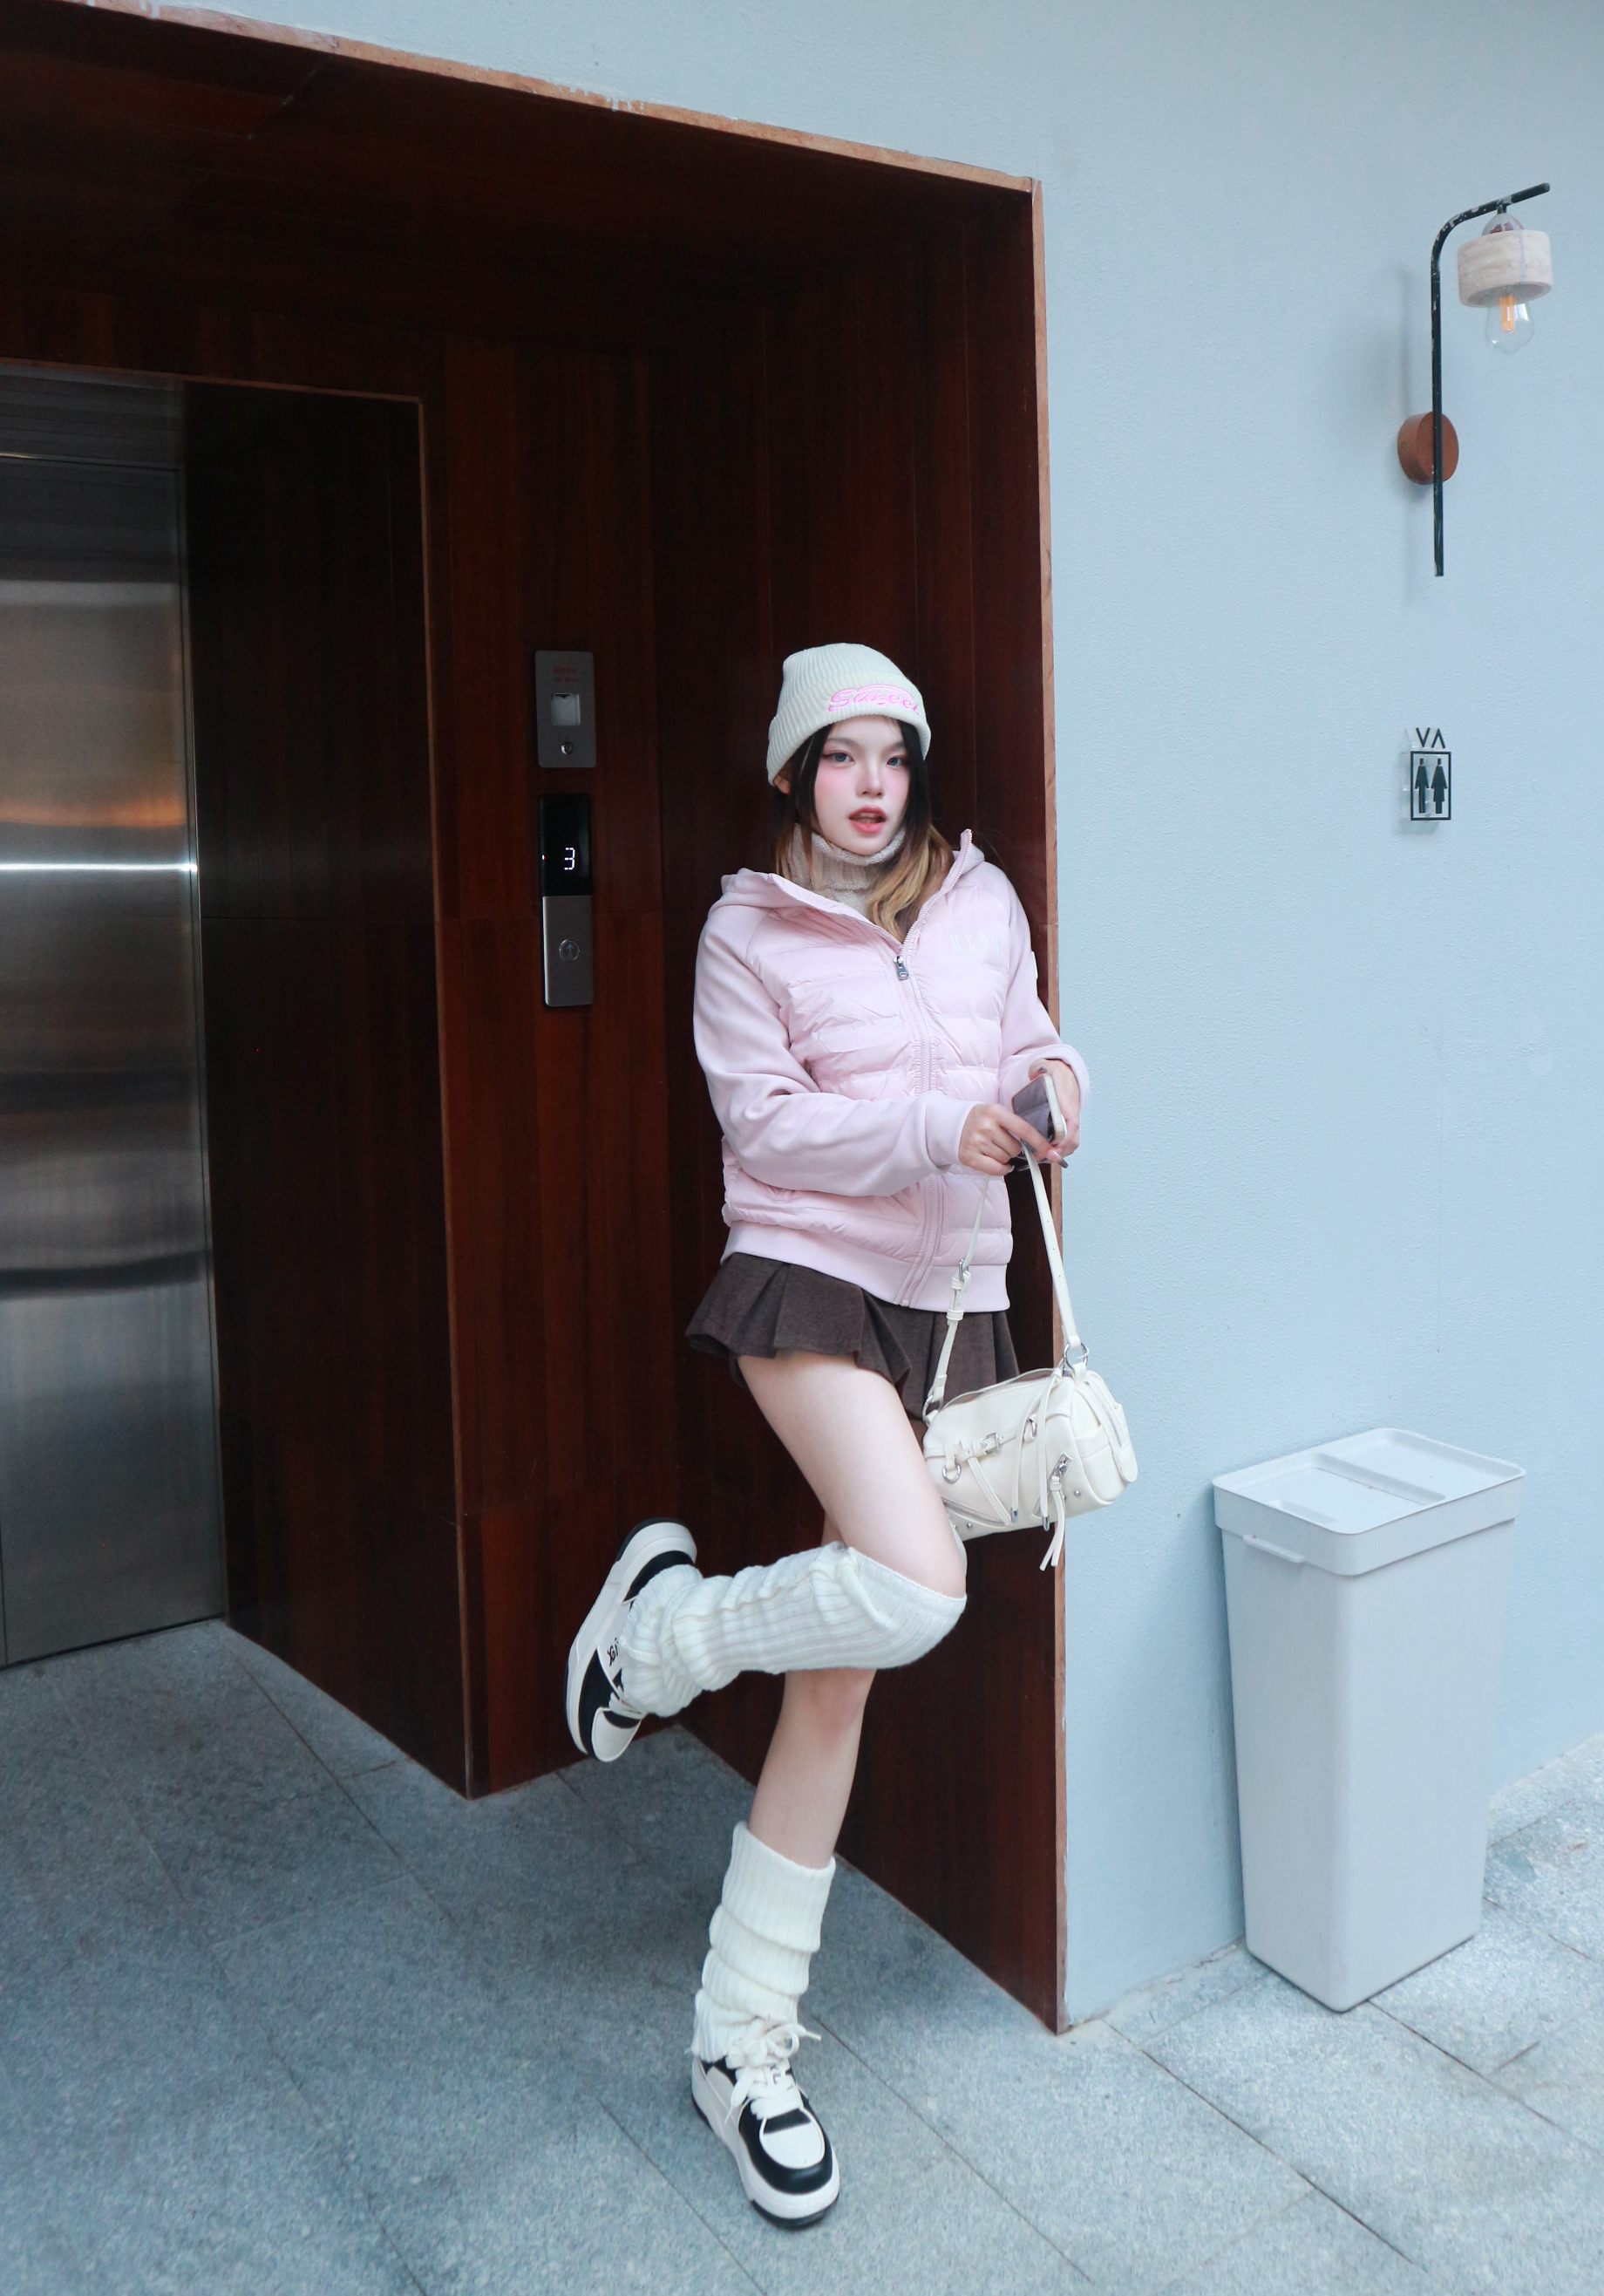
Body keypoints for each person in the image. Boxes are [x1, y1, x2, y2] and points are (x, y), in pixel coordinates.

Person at [566, 644, 1087, 2225]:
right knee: (917, 1586)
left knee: (842, 1668)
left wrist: (1055, 1091)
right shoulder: (748, 930)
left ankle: (737, 2043)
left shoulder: (981, 901)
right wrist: (936, 1126)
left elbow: (1032, 1040)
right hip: (808, 1273)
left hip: (956, 1298)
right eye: (842, 756)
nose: (873, 786)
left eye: (895, 757)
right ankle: (659, 1644)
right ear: (795, 771)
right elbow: (768, 1124)